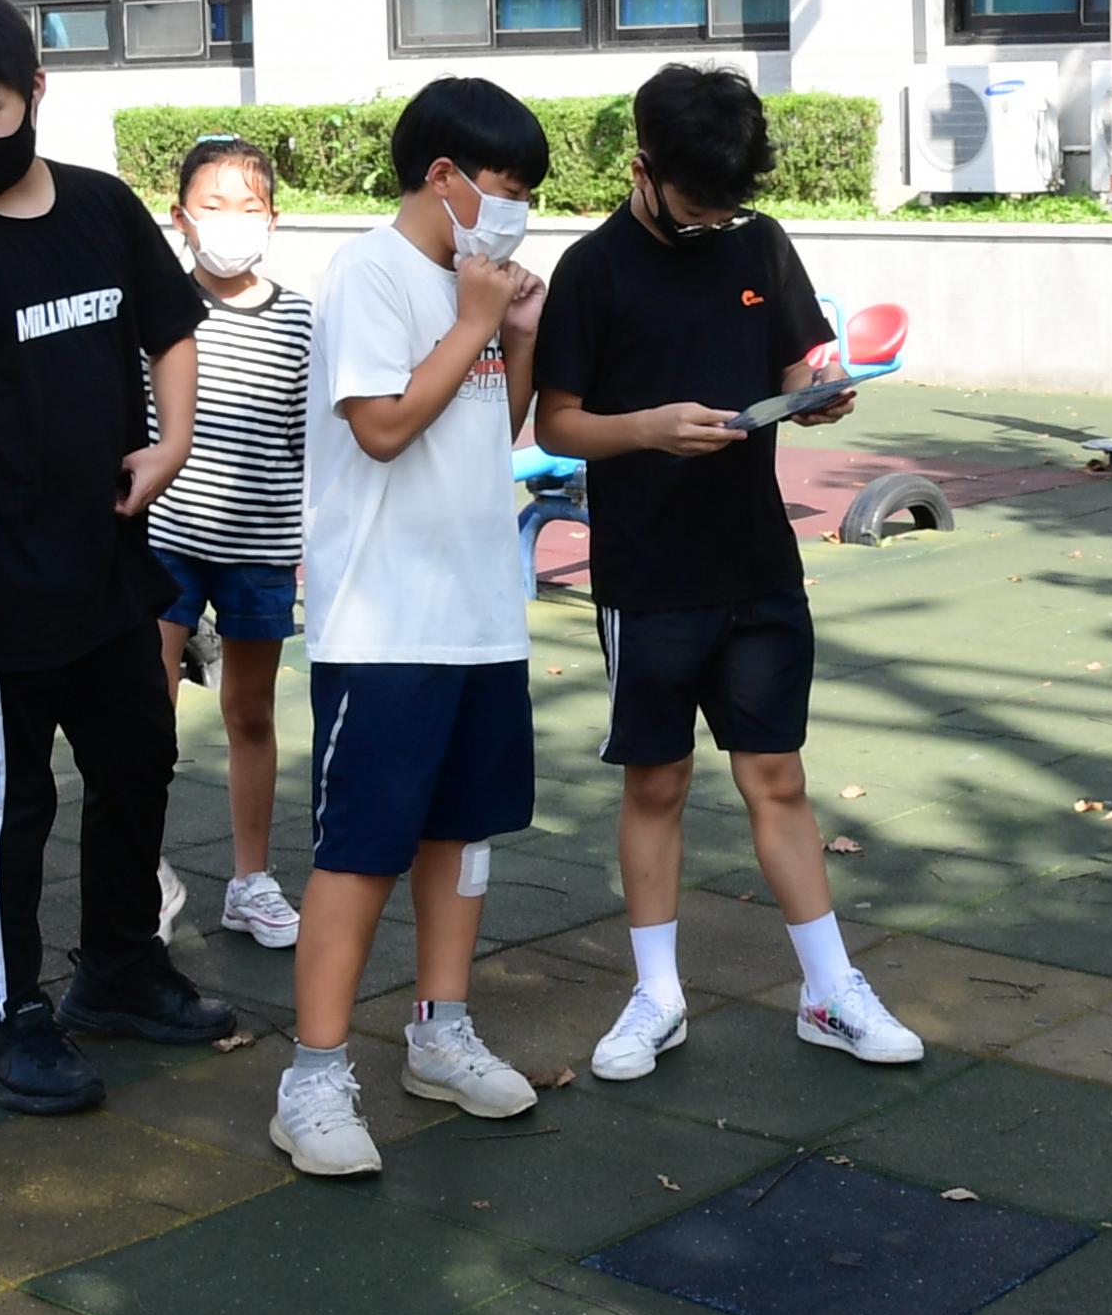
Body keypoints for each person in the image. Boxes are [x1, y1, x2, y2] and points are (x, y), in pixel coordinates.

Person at [0, 0, 245, 1116]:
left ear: (34, 90)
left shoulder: (106, 210)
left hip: (111, 570)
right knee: (6, 810)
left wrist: (171, 446)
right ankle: (1, 1016)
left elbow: (170, 329)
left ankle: (117, 966)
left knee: (138, 768)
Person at [530, 64, 924, 1082]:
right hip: (648, 570)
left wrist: (817, 392)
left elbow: (800, 362)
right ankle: (656, 993)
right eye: (697, 207)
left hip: (757, 560)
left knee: (777, 773)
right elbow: (557, 420)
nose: (716, 224)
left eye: (729, 207)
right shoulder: (594, 269)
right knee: (656, 778)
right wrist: (650, 428)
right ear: (642, 171)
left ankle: (830, 991)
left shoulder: (758, 240)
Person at [266, 78, 553, 1177]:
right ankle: (315, 1074)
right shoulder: (371, 274)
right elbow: (383, 426)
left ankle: (441, 1028)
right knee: (362, 849)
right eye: (504, 187)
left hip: (481, 611)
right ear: (443, 176)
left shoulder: (467, 282)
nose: (515, 209)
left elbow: (495, 422)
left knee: (461, 833)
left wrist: (512, 334)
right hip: (384, 617)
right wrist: (481, 319)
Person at [146, 135, 311, 951]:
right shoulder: (153, 310)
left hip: (260, 546)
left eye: (248, 208)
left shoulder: (300, 321)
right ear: (180, 219)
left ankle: (252, 879)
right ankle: (141, 866)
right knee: (147, 717)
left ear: (273, 220)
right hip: (162, 539)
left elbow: (306, 444)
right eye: (212, 207)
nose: (231, 223)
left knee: (251, 713)